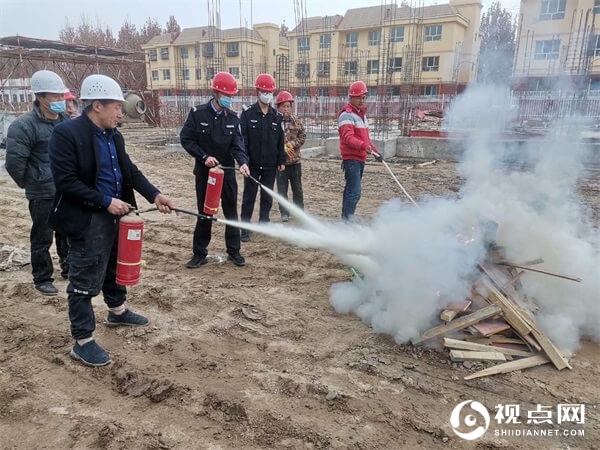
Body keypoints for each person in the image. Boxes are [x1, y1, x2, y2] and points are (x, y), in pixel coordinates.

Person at [48, 74, 175, 367]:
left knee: (114, 265)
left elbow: (129, 170)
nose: (121, 113)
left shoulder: (114, 135)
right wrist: (105, 201)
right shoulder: (67, 134)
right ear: (96, 106)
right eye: (116, 107)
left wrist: (155, 195)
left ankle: (117, 311)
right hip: (87, 218)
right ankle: (83, 341)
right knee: (84, 276)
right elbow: (65, 182)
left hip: (117, 215)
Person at [5, 69, 71, 295]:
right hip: (42, 191)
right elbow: (14, 164)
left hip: (67, 188)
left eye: (62, 96)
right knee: (42, 235)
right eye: (55, 97)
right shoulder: (23, 126)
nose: (60, 101)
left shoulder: (64, 120)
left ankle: (68, 268)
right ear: (40, 97)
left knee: (67, 230)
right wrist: (33, 182)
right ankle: (42, 277)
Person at [180, 72, 250, 268]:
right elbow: (186, 139)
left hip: (226, 175)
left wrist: (243, 162)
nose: (230, 99)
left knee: (231, 213)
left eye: (232, 95)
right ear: (215, 93)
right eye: (227, 95)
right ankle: (199, 253)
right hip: (205, 174)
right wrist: (204, 157)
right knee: (205, 213)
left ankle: (234, 251)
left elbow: (238, 145)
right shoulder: (198, 114)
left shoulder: (233, 118)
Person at [239, 73, 286, 241]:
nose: (267, 95)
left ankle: (264, 223)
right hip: (252, 164)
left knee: (267, 196)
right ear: (257, 91)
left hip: (270, 165)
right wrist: (243, 162)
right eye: (264, 91)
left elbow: (281, 140)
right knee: (249, 197)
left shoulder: (276, 116)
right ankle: (245, 228)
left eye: (270, 92)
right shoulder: (247, 114)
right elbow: (242, 140)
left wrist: (281, 160)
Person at [338, 80, 382, 222]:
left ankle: (347, 218)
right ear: (351, 98)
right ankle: (347, 220)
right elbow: (348, 138)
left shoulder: (361, 116)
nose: (362, 100)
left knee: (352, 190)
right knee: (354, 192)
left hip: (360, 158)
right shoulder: (347, 115)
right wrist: (364, 147)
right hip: (352, 159)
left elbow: (365, 139)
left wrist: (375, 152)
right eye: (359, 97)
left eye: (364, 97)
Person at [275, 90, 306, 222]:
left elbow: (302, 136)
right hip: (280, 164)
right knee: (282, 191)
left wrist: (291, 145)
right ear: (278, 107)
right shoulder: (274, 122)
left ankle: (299, 212)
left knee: (297, 190)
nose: (286, 109)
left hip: (295, 162)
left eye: (288, 106)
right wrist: (280, 149)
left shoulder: (296, 121)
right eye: (284, 106)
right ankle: (284, 213)